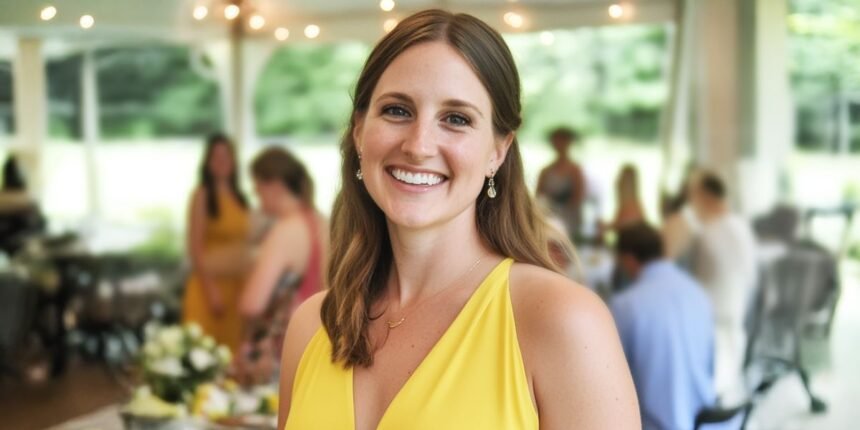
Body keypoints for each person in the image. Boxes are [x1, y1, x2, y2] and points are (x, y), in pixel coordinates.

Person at [278, 10, 639, 430]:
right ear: (359, 131)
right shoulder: (311, 326)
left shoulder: (561, 320)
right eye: (397, 110)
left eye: (456, 119)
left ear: (498, 151)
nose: (418, 146)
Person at [610, 222, 717, 430]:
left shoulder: (626, 306)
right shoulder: (698, 293)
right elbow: (710, 367)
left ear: (628, 260)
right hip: (706, 423)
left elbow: (612, 382)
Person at [236, 146, 328, 384]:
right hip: (319, 343)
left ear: (275, 186)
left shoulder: (286, 230)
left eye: (257, 186)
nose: (255, 194)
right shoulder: (323, 222)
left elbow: (252, 304)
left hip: (283, 349)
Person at [687, 170, 757, 401]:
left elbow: (699, 282)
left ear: (705, 196)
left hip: (713, 318)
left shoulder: (709, 234)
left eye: (694, 196)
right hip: (736, 313)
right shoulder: (740, 226)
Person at [183, 133, 251, 353]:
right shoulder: (202, 195)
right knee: (203, 351)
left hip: (237, 288)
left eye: (226, 156)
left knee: (231, 353)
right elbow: (195, 247)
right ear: (207, 162)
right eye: (216, 157)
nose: (221, 162)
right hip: (209, 286)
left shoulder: (240, 198)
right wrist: (211, 291)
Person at [537, 126, 587, 241]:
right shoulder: (546, 171)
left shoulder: (575, 170)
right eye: (556, 141)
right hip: (549, 217)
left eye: (562, 140)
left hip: (569, 219)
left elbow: (578, 197)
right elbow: (539, 196)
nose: (559, 144)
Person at [0, 155, 45, 255]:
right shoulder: (24, 197)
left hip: (30, 241)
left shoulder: (28, 196)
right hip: (13, 243)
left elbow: (41, 224)